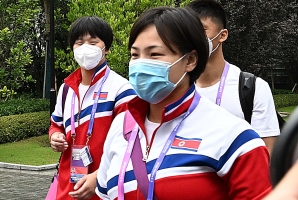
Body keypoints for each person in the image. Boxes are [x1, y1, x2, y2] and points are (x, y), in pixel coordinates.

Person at [95, 6, 272, 199]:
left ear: (190, 60)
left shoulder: (234, 137)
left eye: (154, 55)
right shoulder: (120, 126)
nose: (140, 64)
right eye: (135, 55)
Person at [49, 16, 136, 200]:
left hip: (104, 187)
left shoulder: (122, 89)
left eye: (93, 42)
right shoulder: (66, 89)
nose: (85, 48)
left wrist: (98, 177)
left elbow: (131, 143)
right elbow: (56, 124)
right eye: (79, 43)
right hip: (67, 187)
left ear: (107, 49)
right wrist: (55, 136)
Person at [187, 0, 280, 155]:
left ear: (222, 35)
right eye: (188, 32)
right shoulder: (179, 87)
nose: (194, 38)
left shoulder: (252, 88)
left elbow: (267, 154)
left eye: (201, 31)